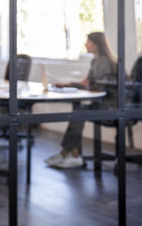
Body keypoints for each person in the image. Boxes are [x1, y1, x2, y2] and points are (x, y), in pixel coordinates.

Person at [45, 31, 117, 169]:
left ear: (96, 45)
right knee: (78, 112)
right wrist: (69, 84)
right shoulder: (96, 60)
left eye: (88, 41)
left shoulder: (105, 62)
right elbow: (89, 83)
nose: (86, 44)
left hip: (109, 107)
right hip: (100, 103)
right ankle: (71, 154)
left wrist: (76, 85)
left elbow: (97, 85)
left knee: (78, 113)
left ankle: (70, 154)